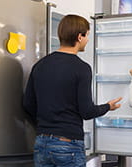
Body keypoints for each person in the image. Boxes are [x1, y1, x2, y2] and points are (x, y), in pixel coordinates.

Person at [23, 14, 122, 167]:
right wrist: (108, 106)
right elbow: (86, 111)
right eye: (87, 35)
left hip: (42, 143)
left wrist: (46, 125)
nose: (88, 40)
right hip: (68, 145)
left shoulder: (40, 65)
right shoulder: (81, 68)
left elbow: (28, 103)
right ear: (79, 37)